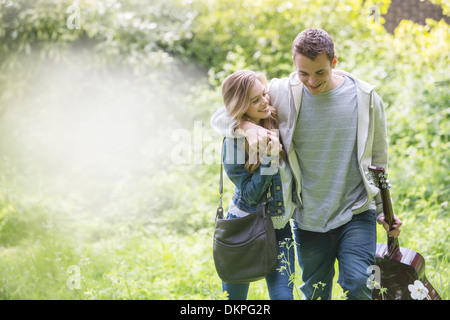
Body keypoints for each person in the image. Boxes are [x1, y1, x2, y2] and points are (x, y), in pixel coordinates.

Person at [211, 28, 402, 300]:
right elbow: (224, 112)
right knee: (315, 292)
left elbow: (379, 161)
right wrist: (243, 126)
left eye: (320, 72)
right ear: (294, 66)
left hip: (356, 210)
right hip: (309, 216)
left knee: (360, 283)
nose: (311, 81)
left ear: (334, 62)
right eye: (303, 73)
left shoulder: (366, 98)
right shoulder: (282, 92)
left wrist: (384, 211)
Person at [218, 70, 297, 300]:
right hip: (244, 226)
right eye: (255, 100)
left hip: (280, 227)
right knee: (234, 300)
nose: (265, 101)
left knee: (283, 297)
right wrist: (271, 160)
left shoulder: (276, 122)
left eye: (264, 94)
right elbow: (251, 195)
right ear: (241, 105)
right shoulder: (232, 142)